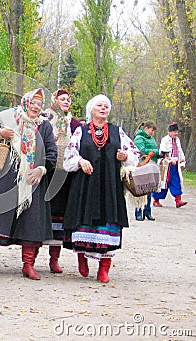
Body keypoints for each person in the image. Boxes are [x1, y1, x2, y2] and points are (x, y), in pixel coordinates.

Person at [0, 88, 58, 280]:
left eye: (40, 104)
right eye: (33, 103)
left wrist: (41, 169)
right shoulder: (7, 118)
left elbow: (51, 152)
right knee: (0, 218)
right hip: (5, 179)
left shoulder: (45, 126)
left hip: (33, 181)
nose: (36, 107)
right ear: (25, 102)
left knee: (31, 222)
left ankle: (28, 264)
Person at [62, 94, 138, 283]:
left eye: (106, 106)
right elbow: (68, 157)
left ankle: (104, 269)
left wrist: (125, 156)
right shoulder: (80, 131)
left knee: (109, 222)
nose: (103, 109)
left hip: (109, 186)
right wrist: (80, 160)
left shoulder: (117, 132)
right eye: (99, 106)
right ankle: (82, 258)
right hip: (85, 185)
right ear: (91, 109)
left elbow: (134, 154)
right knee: (83, 222)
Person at [43, 89, 82, 273]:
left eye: (68, 99)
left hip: (65, 175)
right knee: (41, 215)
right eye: (63, 99)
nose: (66, 102)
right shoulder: (44, 119)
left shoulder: (75, 124)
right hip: (46, 173)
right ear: (54, 101)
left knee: (59, 217)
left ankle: (54, 259)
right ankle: (30, 259)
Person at [152, 122, 187, 208]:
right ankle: (156, 200)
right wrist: (170, 160)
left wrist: (182, 161)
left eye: (177, 132)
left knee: (176, 181)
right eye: (174, 132)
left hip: (175, 166)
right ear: (170, 132)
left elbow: (180, 151)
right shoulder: (165, 140)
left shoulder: (177, 140)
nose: (176, 133)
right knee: (163, 182)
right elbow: (163, 152)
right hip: (166, 166)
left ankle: (178, 200)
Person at [133, 121, 159, 221]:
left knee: (149, 190)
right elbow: (141, 150)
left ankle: (147, 211)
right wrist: (155, 152)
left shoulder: (151, 139)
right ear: (146, 128)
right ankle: (138, 212)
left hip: (151, 165)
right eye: (151, 130)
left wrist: (160, 154)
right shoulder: (139, 138)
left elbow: (154, 150)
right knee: (141, 190)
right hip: (142, 165)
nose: (152, 132)